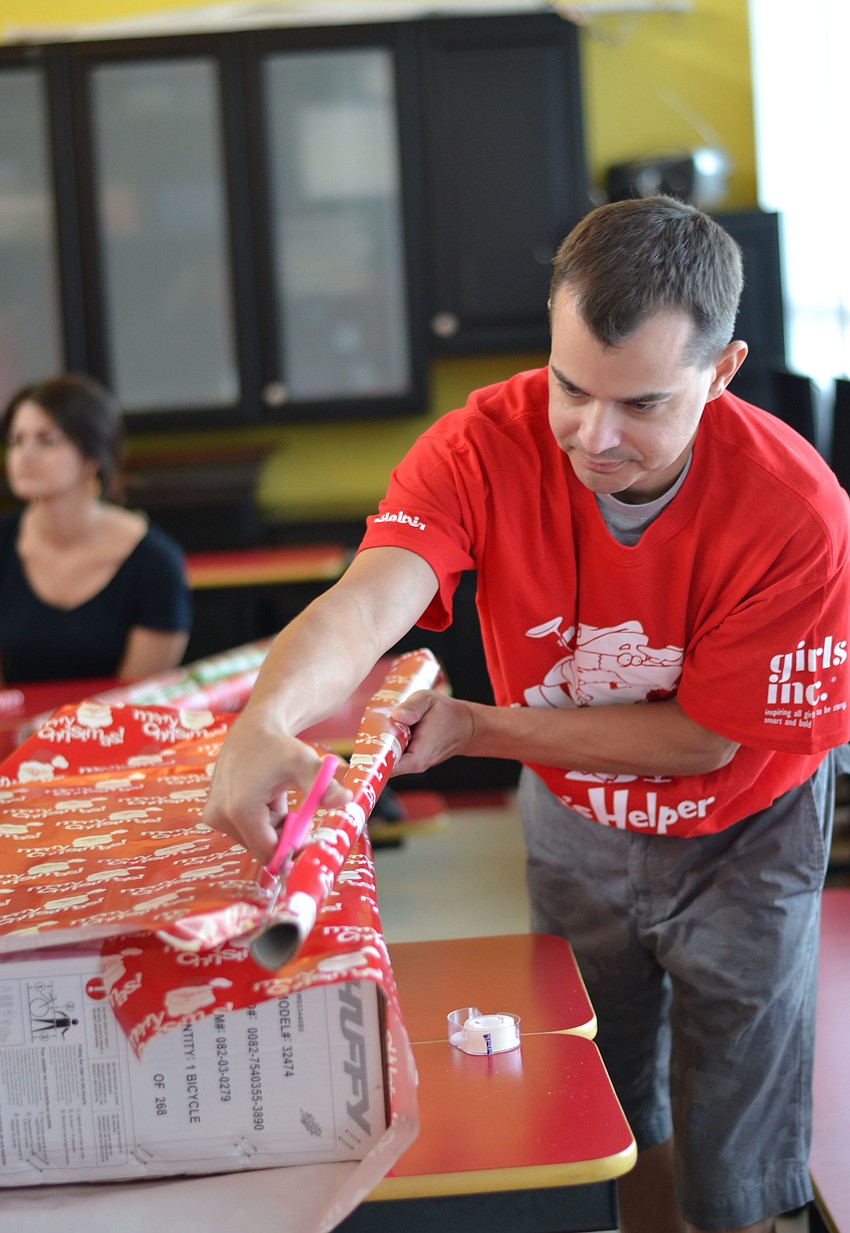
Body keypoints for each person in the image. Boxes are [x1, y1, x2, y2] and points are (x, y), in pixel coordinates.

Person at [202, 196, 850, 1233]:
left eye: (642, 403)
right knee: (602, 1099)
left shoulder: (795, 512)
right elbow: (369, 599)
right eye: (570, 387)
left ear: (722, 371)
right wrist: (264, 719)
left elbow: (700, 739)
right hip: (574, 815)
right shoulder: (479, 446)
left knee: (737, 1133)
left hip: (746, 833)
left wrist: (478, 728)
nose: (595, 436)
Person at [0, 373, 191, 684]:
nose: (26, 456)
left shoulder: (155, 562)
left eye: (47, 441)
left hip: (116, 716)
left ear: (92, 457)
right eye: (16, 440)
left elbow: (136, 697)